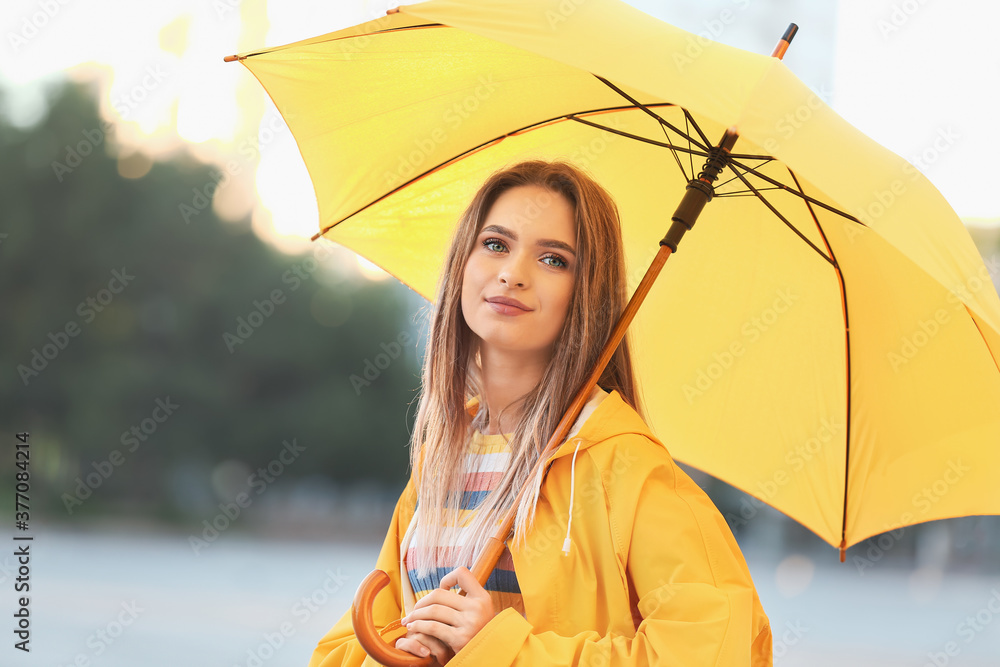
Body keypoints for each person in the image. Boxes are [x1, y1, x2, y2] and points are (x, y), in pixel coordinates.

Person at [308, 160, 773, 667]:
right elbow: (352, 646)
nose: (513, 273)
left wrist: (501, 649)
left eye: (553, 259)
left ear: (586, 292)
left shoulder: (627, 469)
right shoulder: (443, 455)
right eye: (495, 244)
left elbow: (716, 652)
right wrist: (403, 652)